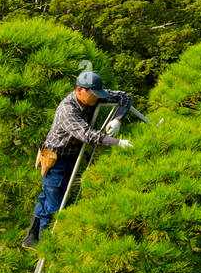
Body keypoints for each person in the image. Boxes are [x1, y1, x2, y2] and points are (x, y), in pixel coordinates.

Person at [20, 70, 134, 249]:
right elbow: (88, 135)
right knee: (54, 205)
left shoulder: (93, 94)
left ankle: (31, 239)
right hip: (56, 159)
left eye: (98, 94)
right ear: (79, 90)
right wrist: (118, 142)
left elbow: (125, 97)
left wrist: (118, 119)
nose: (97, 99)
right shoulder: (68, 109)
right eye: (93, 95)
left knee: (46, 199)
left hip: (72, 156)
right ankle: (45, 245)